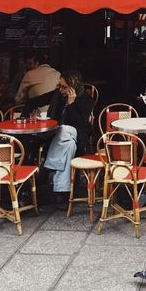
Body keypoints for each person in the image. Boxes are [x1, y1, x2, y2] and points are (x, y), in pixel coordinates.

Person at [36, 70, 93, 208]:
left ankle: (47, 166)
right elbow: (34, 101)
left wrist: (72, 104)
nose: (60, 89)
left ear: (73, 87)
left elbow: (81, 124)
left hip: (78, 135)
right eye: (59, 86)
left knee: (64, 129)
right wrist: (26, 114)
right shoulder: (58, 96)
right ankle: (62, 193)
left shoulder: (86, 100)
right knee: (68, 146)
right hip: (62, 140)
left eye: (63, 87)